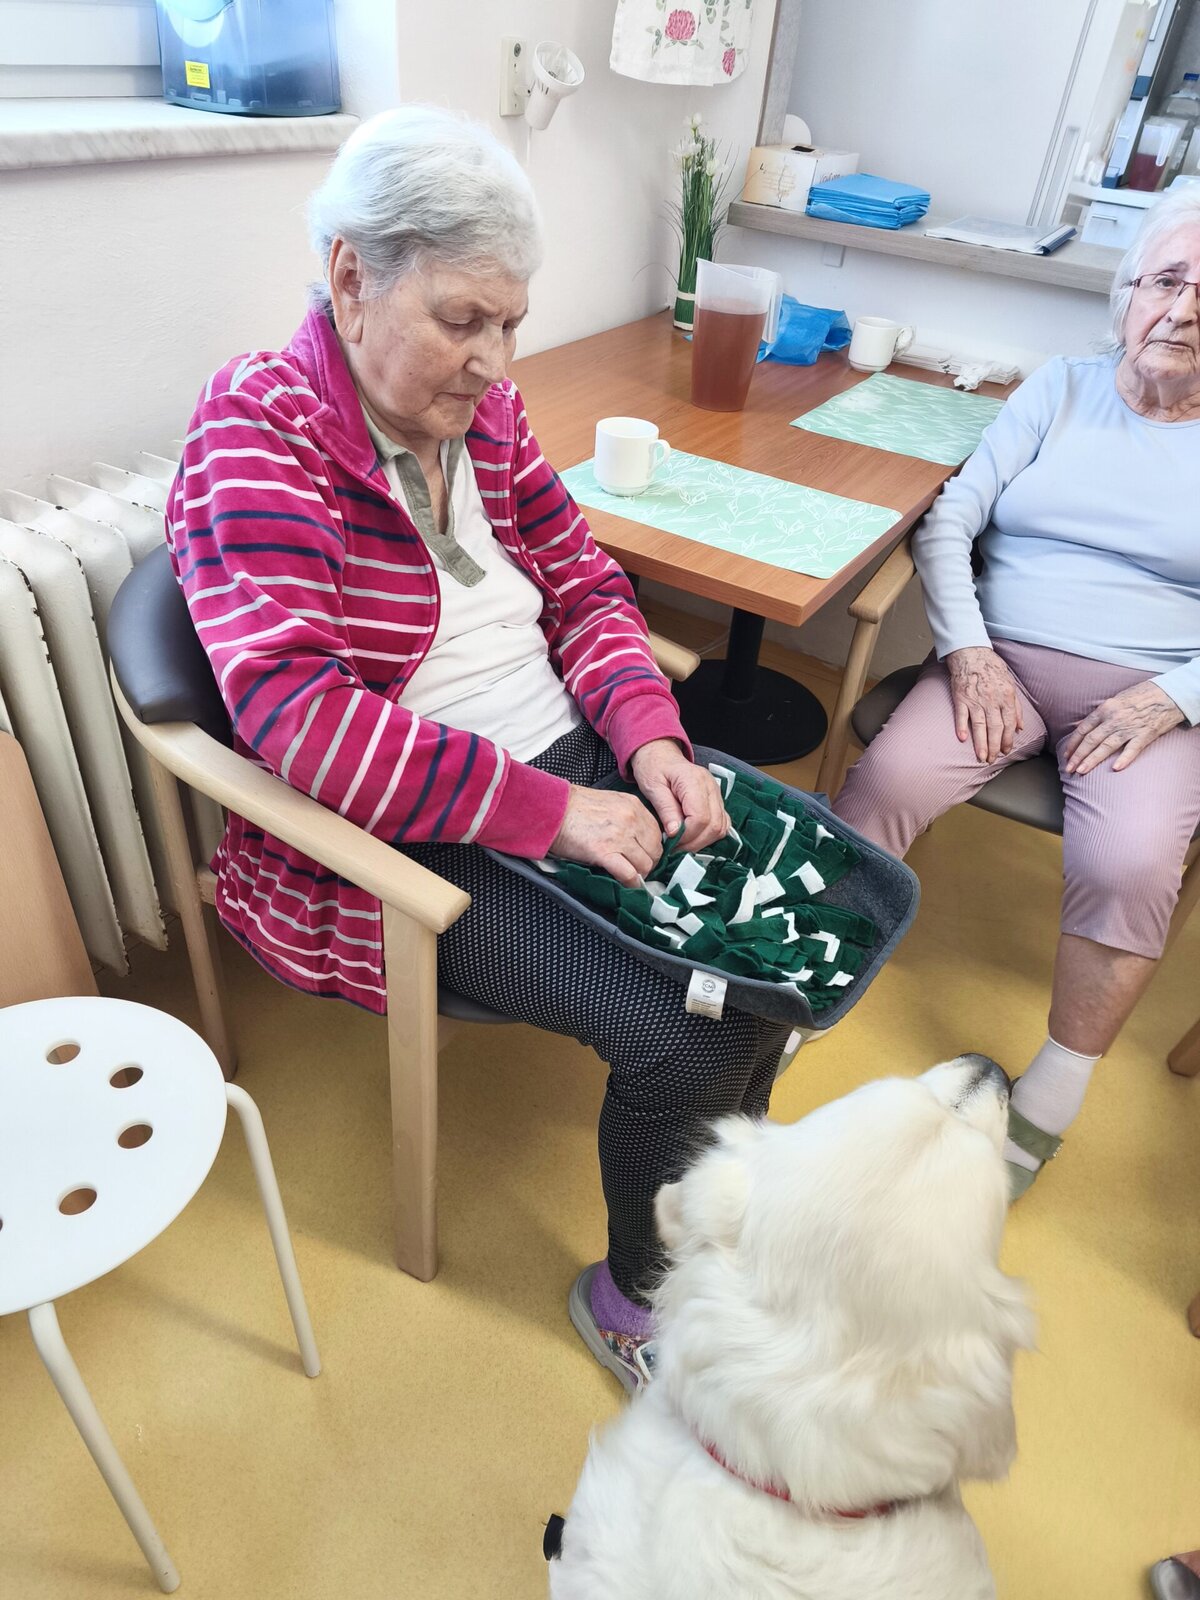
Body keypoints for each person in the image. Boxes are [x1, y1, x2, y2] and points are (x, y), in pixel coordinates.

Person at [166, 106, 789, 1390]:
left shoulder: (485, 420)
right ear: (351, 277)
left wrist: (651, 736)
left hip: (571, 755)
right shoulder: (260, 428)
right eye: (464, 320)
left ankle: (711, 1210)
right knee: (683, 1032)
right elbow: (298, 717)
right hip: (417, 828)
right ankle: (637, 1298)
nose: (497, 362)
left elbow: (588, 588)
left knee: (769, 956)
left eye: (511, 323)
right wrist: (551, 812)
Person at [833, 185, 1200, 1197]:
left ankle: (1046, 1105)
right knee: (889, 780)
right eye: (1168, 281)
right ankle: (803, 978)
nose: (1183, 309)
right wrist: (970, 652)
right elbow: (951, 520)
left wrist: (1176, 697)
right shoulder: (1061, 391)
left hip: (1150, 700)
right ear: (1129, 293)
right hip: (999, 662)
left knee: (1130, 863)